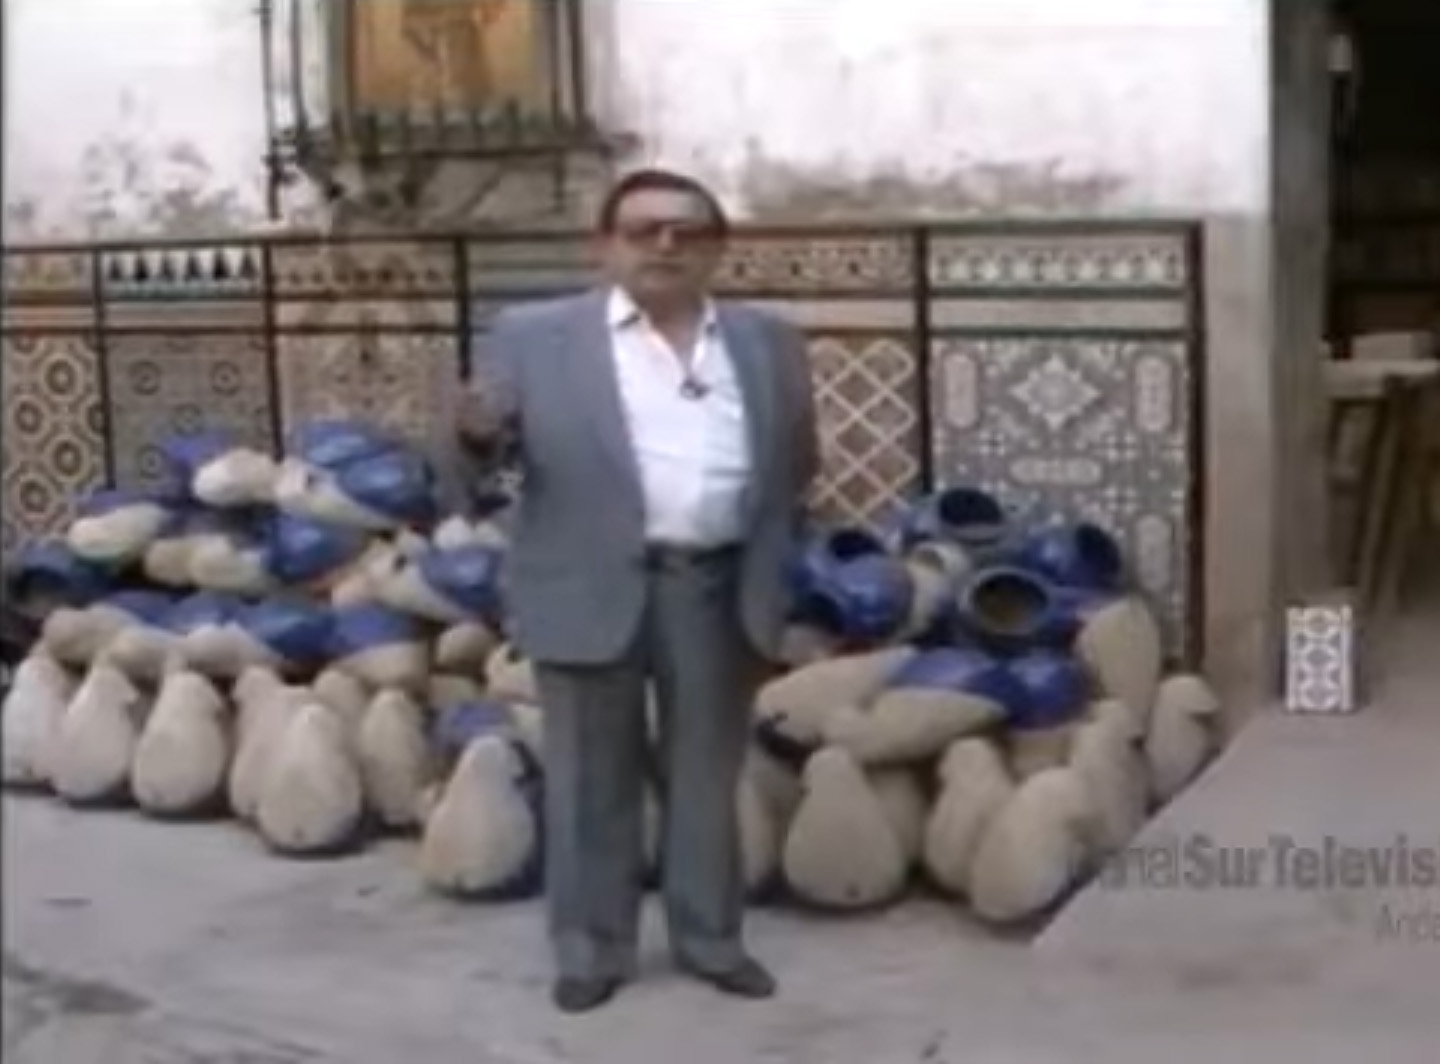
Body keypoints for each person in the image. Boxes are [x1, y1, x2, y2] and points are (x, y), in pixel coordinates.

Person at [457, 168, 820, 1014]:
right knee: (590, 778)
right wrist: (474, 443)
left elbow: (797, 462)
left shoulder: (767, 342)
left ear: (717, 250)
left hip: (716, 586)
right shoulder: (534, 337)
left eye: (687, 232)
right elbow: (485, 467)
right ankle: (592, 950)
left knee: (706, 775)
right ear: (604, 246)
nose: (666, 245)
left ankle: (711, 939)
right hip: (586, 581)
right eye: (644, 229)